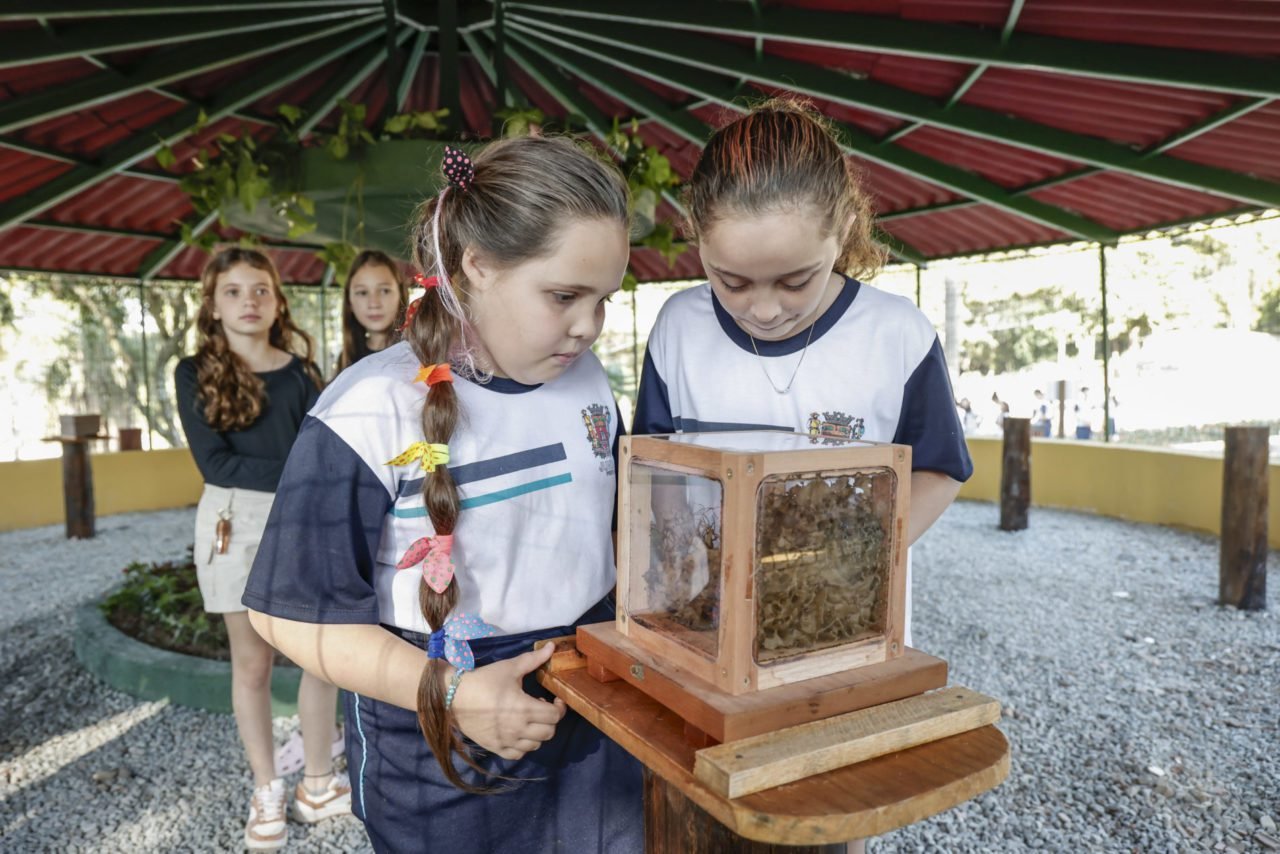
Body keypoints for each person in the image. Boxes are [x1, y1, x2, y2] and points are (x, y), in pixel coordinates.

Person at [242, 137, 642, 853]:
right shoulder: (368, 408)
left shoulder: (588, 381)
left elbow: (612, 533)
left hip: (591, 722)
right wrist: (456, 694)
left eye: (604, 300)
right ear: (479, 268)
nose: (589, 326)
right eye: (564, 296)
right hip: (438, 743)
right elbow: (288, 615)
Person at [174, 247, 349, 851]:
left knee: (318, 658)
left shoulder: (302, 373)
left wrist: (304, 478)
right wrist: (296, 470)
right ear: (213, 304)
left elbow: (321, 451)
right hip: (233, 524)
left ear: (278, 302)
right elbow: (215, 461)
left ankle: (319, 784)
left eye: (260, 290)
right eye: (233, 291)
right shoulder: (193, 372)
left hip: (303, 521)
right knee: (251, 665)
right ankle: (267, 787)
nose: (248, 301)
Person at [335, 249, 410, 375]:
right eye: (363, 293)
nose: (374, 304)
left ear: (401, 295)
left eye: (384, 291)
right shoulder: (345, 360)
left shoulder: (418, 354)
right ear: (349, 302)